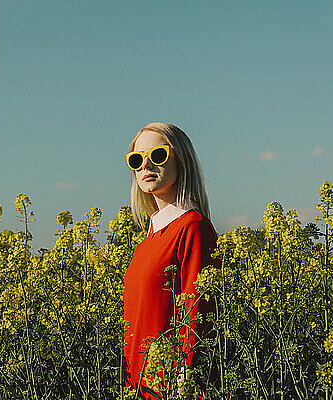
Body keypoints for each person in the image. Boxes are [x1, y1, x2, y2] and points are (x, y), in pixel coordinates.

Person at [122, 122, 220, 399]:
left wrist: (186, 381)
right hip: (139, 384)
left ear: (182, 160)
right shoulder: (147, 241)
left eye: (158, 155)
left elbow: (198, 312)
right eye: (136, 159)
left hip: (170, 387)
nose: (146, 165)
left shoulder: (192, 227)